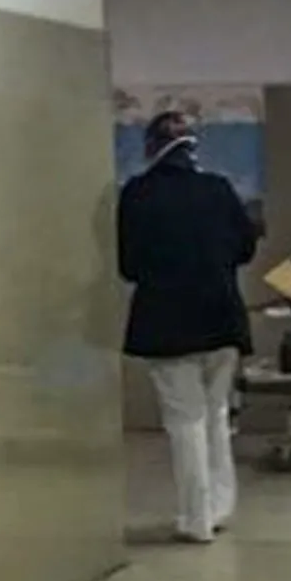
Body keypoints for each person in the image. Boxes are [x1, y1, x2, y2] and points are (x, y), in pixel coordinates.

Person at [120, 110, 261, 545]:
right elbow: (246, 247)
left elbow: (128, 265)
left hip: (167, 325)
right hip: (222, 318)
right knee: (216, 415)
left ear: (151, 148)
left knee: (185, 422)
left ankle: (195, 519)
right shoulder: (218, 189)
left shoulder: (137, 194)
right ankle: (219, 506)